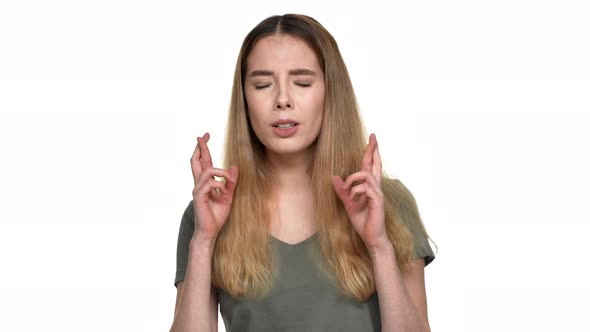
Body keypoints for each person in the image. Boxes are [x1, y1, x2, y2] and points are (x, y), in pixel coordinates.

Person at [170, 13, 435, 332]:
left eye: (302, 83)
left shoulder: (388, 203)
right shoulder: (206, 214)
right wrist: (203, 241)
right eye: (263, 84)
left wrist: (379, 245)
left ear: (329, 91)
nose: (282, 100)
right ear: (245, 98)